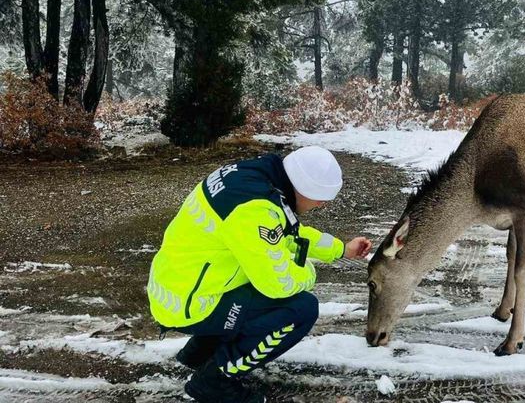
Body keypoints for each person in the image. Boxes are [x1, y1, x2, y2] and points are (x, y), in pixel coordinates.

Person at [147, 146, 373, 403]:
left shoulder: (254, 179)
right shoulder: (255, 211)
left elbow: (289, 233)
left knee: (255, 279)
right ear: (314, 194)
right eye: (321, 200)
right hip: (190, 304)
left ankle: (199, 353)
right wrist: (308, 273)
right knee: (300, 309)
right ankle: (214, 381)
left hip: (179, 285)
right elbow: (278, 284)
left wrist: (341, 249)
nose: (320, 206)